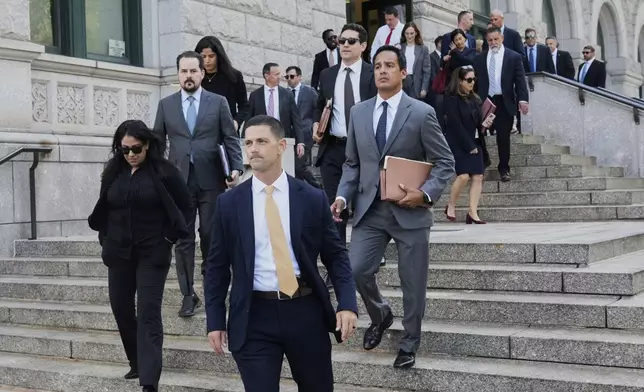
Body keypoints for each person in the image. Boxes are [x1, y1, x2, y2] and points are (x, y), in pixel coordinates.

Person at [204, 115, 358, 392]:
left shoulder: (311, 197)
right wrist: (214, 320)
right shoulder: (229, 203)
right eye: (248, 142)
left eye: (262, 141)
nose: (253, 149)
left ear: (281, 146)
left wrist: (346, 303)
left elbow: (336, 256)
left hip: (305, 311)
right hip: (253, 316)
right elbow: (215, 267)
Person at [332, 45, 455, 368]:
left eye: (390, 65)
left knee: (412, 282)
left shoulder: (420, 112)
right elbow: (352, 163)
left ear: (403, 73)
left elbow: (445, 163)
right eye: (378, 66)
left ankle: (410, 342)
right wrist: (343, 197)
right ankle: (380, 313)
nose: (383, 71)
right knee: (357, 269)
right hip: (369, 211)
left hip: (409, 211)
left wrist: (425, 195)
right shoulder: (358, 112)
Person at [88, 120, 193, 392]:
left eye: (136, 149)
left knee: (148, 312)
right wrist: (105, 239)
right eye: (125, 150)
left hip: (152, 252)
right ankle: (137, 360)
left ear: (147, 145)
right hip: (119, 252)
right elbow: (105, 208)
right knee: (121, 308)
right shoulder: (113, 172)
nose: (131, 155)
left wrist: (169, 238)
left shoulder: (164, 172)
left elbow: (186, 206)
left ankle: (149, 381)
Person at [153, 51, 244, 317]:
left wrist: (236, 168)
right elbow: (158, 143)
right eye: (184, 71)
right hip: (177, 182)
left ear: (202, 74)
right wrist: (156, 177)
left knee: (210, 235)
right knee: (183, 239)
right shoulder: (166, 105)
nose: (189, 76)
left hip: (212, 179)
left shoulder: (218, 103)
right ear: (178, 74)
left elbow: (230, 137)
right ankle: (188, 295)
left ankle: (213, 287)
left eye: (194, 71)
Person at [313, 23, 377, 244]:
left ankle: (368, 253)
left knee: (365, 202)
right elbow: (320, 104)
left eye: (351, 41)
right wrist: (316, 124)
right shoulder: (327, 75)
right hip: (334, 147)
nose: (345, 45)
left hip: (365, 147)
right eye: (341, 41)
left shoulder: (373, 72)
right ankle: (337, 261)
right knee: (334, 206)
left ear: (363, 46)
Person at [473, 26, 529, 182]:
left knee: (503, 136)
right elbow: (475, 82)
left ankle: (504, 168)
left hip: (504, 102)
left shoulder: (513, 57)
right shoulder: (479, 58)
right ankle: (483, 161)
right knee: (480, 133)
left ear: (502, 39)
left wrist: (523, 100)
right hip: (485, 101)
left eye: (496, 39)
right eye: (490, 40)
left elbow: (520, 81)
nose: (493, 42)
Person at [443, 67, 495, 224]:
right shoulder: (451, 99)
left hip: (476, 141)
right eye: (469, 80)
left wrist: (485, 124)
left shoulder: (475, 99)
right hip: (459, 143)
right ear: (460, 81)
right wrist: (468, 145)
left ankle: (473, 212)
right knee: (464, 176)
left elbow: (477, 124)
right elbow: (455, 125)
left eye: (474, 79)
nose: (472, 82)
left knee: (478, 176)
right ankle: (451, 205)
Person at [195, 36, 249, 131]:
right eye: (203, 57)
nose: (207, 61)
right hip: (201, 132)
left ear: (218, 56)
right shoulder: (195, 77)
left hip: (227, 130)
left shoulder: (234, 76)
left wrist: (236, 122)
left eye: (211, 56)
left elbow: (244, 106)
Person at [399, 22, 430, 100]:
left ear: (416, 33)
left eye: (412, 33)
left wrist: (424, 88)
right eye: (407, 33)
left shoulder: (423, 49)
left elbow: (427, 71)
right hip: (402, 81)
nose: (409, 36)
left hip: (416, 83)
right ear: (404, 34)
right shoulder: (399, 48)